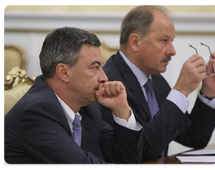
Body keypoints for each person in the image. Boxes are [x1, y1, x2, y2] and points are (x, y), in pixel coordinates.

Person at [102, 4, 215, 163]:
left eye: (171, 41)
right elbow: (143, 150)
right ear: (135, 42)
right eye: (164, 40)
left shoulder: (155, 79)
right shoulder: (109, 84)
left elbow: (194, 138)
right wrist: (181, 90)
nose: (172, 51)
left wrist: (208, 91)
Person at [2, 27, 143, 164]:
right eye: (95, 67)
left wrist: (121, 110)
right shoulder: (36, 113)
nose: (104, 78)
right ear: (64, 72)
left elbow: (126, 161)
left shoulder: (88, 108)